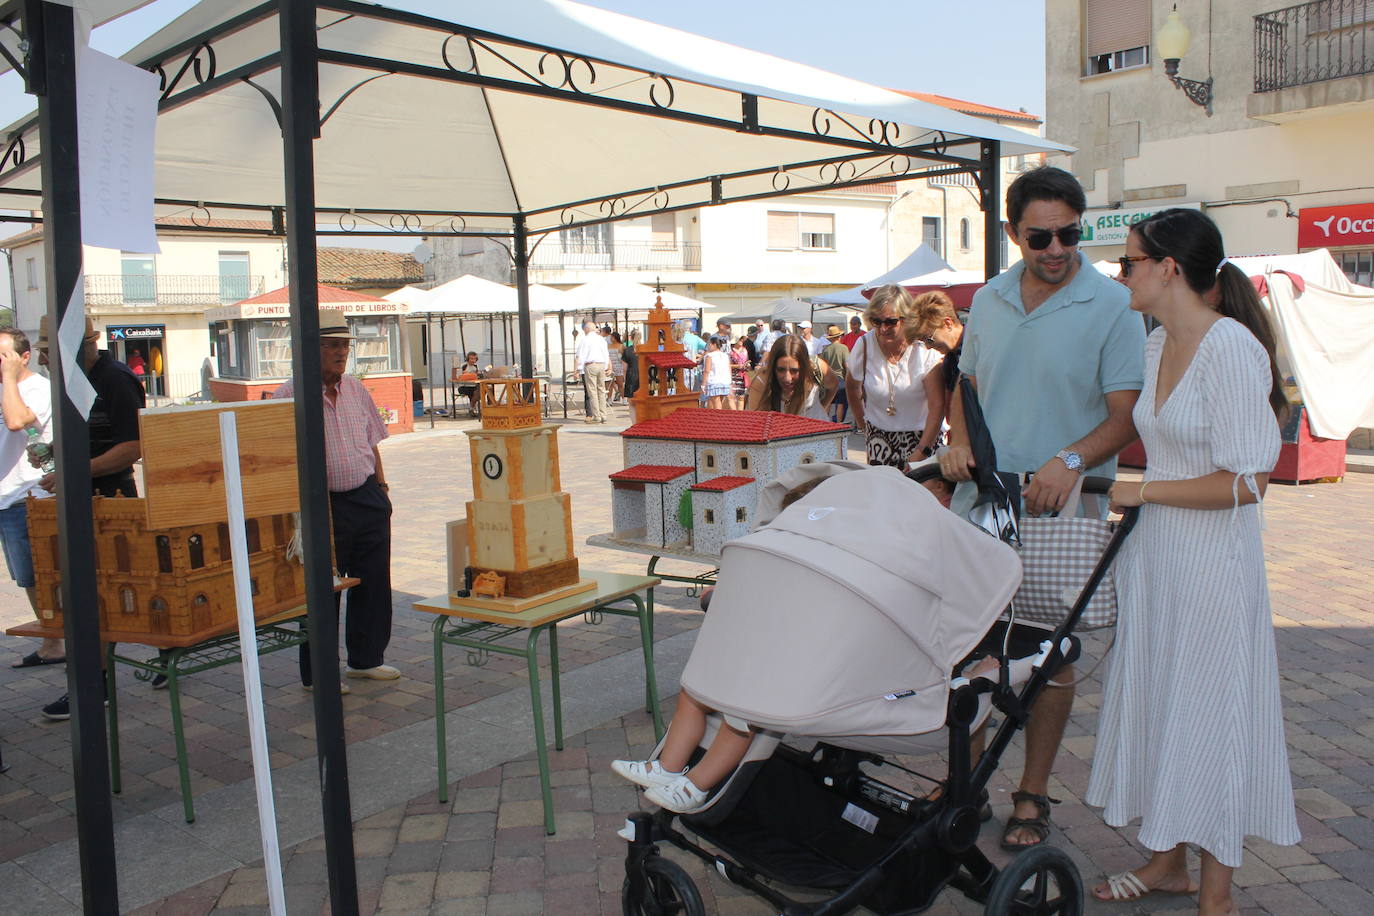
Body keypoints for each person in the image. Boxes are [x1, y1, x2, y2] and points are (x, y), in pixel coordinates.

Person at [1087, 209, 1298, 912]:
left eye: (1130, 261)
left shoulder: (1232, 347)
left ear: (1168, 268)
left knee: (1211, 712)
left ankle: (1217, 893)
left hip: (1213, 564)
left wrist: (1144, 489)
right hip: (1157, 556)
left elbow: (1249, 482)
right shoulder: (1155, 346)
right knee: (1163, 703)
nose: (1124, 273)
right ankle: (1167, 861)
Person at [938, 165, 1145, 850]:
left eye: (1069, 234)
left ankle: (1031, 794)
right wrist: (958, 442)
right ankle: (963, 784)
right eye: (1040, 237)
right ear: (1011, 234)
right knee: (969, 646)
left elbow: (1125, 416)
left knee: (1051, 658)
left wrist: (1073, 459)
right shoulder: (991, 297)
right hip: (981, 506)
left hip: (1064, 510)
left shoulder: (1111, 305)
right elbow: (965, 381)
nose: (1056, 249)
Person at [274, 310, 398, 691]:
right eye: (331, 345)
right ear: (310, 349)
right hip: (320, 504)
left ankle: (366, 659)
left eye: (344, 345)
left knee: (373, 582)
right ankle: (320, 673)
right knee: (322, 590)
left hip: (365, 496)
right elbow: (278, 459)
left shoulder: (356, 389)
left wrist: (381, 488)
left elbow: (372, 441)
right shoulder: (288, 396)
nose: (340, 352)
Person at [36, 315, 146, 720]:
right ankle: (93, 683)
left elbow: (134, 445)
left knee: (101, 595)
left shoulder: (115, 378)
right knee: (90, 594)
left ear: (86, 345)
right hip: (84, 495)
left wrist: (73, 471)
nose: (45, 362)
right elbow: (84, 434)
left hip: (111, 497)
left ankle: (93, 687)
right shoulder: (75, 378)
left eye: (51, 354)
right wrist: (52, 451)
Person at [0, 327, 62, 669]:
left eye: (4, 356)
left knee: (39, 575)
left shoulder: (37, 389)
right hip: (6, 496)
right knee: (25, 576)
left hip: (29, 495)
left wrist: (10, 379)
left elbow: (14, 421)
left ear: (23, 357)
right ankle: (52, 640)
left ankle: (57, 642)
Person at [845, 285, 945, 469]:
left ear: (907, 318)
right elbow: (852, 387)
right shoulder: (865, 345)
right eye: (876, 321)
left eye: (890, 322)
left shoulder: (923, 348)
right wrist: (863, 424)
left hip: (924, 438)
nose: (883, 329)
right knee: (883, 496)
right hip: (879, 440)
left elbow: (937, 405)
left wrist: (922, 450)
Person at [746, 335, 837, 420]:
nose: (787, 378)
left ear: (804, 366)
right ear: (773, 367)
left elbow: (833, 386)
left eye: (794, 370)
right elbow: (757, 421)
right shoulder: (762, 382)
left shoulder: (817, 368)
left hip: (819, 433)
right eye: (780, 370)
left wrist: (822, 406)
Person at [574, 320, 610, 424]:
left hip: (590, 365)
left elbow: (581, 355)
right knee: (601, 390)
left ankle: (597, 415)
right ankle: (604, 414)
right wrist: (606, 366)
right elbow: (606, 354)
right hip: (601, 364)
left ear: (586, 329)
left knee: (592, 391)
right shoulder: (601, 340)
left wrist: (578, 369)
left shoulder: (585, 340)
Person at [819, 324, 850, 424]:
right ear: (839, 336)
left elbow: (823, 366)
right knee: (840, 403)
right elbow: (847, 365)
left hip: (828, 378)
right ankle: (839, 424)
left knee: (828, 402)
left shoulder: (826, 349)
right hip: (840, 379)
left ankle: (825, 423)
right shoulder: (843, 348)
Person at [700, 335, 732, 410]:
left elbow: (707, 371)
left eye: (709, 344)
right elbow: (729, 368)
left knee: (716, 403)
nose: (708, 346)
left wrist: (703, 384)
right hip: (725, 381)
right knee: (718, 402)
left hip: (714, 382)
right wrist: (730, 381)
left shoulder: (709, 356)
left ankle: (718, 419)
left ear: (714, 344)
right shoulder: (725, 355)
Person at [453, 351, 485, 418]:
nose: (473, 360)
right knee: (477, 392)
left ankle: (473, 407)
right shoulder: (463, 366)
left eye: (474, 359)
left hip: (473, 386)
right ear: (468, 359)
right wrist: (464, 374)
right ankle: (472, 408)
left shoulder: (475, 367)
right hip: (464, 386)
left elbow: (476, 376)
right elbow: (457, 376)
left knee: (485, 389)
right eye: (471, 359)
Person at [728, 335, 750, 410]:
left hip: (742, 376)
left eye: (742, 339)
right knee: (732, 397)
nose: (741, 341)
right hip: (733, 376)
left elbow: (747, 361)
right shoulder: (730, 351)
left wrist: (747, 365)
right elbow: (727, 365)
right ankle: (734, 416)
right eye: (739, 339)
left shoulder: (745, 350)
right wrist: (738, 366)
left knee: (741, 397)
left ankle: (740, 415)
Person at [607, 331, 626, 404]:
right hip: (610, 365)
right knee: (609, 384)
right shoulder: (608, 346)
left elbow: (624, 356)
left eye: (612, 337)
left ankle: (624, 398)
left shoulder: (621, 345)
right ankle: (609, 398)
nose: (611, 338)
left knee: (620, 383)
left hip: (618, 365)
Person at [622, 328, 640, 400]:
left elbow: (624, 368)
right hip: (643, 376)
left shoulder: (627, 350)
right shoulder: (644, 349)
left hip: (631, 376)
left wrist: (624, 378)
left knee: (632, 401)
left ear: (631, 337)